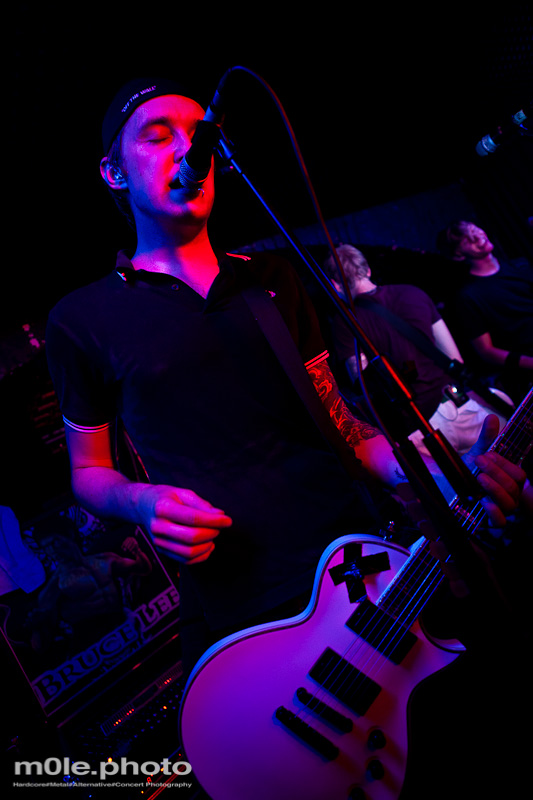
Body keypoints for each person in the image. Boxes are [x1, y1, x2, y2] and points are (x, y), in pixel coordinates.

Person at [45, 78, 525, 675]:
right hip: (242, 604)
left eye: (199, 134)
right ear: (114, 172)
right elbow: (89, 471)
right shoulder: (82, 319)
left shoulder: (272, 278)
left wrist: (442, 475)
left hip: (362, 562)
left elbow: (341, 426)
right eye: (157, 136)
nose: (187, 148)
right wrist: (141, 502)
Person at [322, 244, 511, 456]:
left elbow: (363, 383)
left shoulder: (345, 321)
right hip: (459, 404)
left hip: (422, 428)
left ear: (335, 284)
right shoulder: (413, 292)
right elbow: (454, 359)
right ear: (367, 270)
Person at [436, 220, 533, 403]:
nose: (478, 237)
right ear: (457, 254)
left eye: (475, 230)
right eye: (467, 239)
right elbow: (486, 351)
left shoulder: (521, 266)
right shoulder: (468, 296)